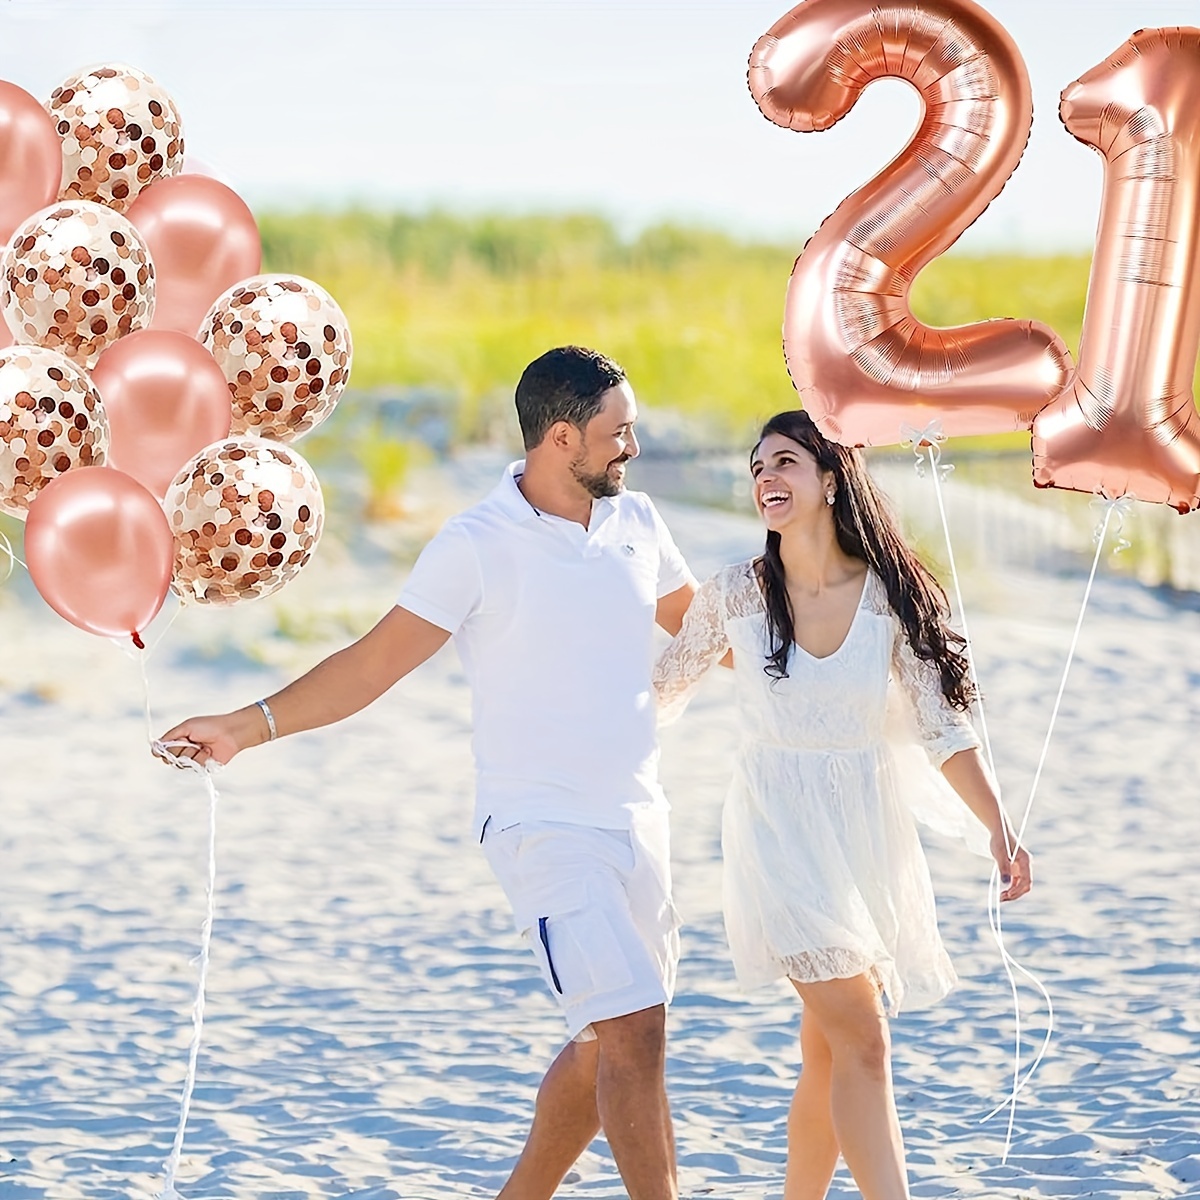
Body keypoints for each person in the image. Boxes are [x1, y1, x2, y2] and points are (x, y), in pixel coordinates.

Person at [159, 346, 698, 1200]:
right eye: (618, 433)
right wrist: (244, 726)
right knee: (630, 1027)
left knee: (613, 1038)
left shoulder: (640, 525)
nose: (633, 447)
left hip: (641, 819)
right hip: (541, 828)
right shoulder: (477, 544)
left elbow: (708, 636)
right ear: (561, 438)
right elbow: (372, 665)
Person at [651, 408, 1032, 1200]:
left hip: (865, 835)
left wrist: (997, 826)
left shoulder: (889, 598)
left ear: (831, 480)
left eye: (785, 462)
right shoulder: (737, 595)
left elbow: (943, 729)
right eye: (757, 467)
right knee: (863, 1040)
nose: (766, 478)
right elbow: (658, 689)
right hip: (775, 833)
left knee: (827, 1050)